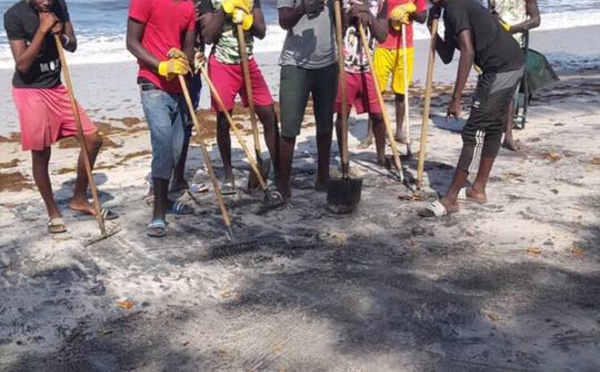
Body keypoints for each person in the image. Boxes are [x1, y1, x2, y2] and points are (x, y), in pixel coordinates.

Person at [4, 0, 118, 234]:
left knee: (92, 139)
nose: (48, 0)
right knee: (42, 152)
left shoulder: (59, 5)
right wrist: (43, 29)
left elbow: (72, 45)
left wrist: (62, 37)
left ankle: (79, 198)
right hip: (30, 91)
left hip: (56, 87)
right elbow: (23, 64)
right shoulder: (14, 15)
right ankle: (53, 211)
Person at [419, 0, 525, 217]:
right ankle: (477, 190)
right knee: (493, 127)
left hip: (502, 67)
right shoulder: (451, 11)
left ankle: (450, 200)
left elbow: (468, 52)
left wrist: (456, 97)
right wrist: (432, 29)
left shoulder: (456, 6)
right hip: (505, 65)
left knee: (473, 130)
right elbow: (448, 55)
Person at [126, 0, 196, 237]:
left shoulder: (188, 6)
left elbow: (189, 46)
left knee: (176, 149)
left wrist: (185, 59)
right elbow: (132, 42)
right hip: (152, 83)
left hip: (178, 86)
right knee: (164, 143)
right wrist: (161, 65)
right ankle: (158, 214)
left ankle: (163, 199)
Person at [200, 0, 280, 196]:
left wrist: (248, 20)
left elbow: (261, 32)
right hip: (221, 64)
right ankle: (229, 175)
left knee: (269, 115)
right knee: (223, 119)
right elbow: (208, 36)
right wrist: (224, 11)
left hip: (247, 62)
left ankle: (279, 170)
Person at [277, 0, 339, 200]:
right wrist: (302, 8)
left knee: (325, 125)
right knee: (289, 127)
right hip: (295, 63)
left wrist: (342, 7)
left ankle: (323, 177)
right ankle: (283, 184)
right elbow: (284, 21)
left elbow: (342, 25)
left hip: (328, 62)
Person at [357, 0, 426, 151]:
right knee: (376, 92)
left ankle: (399, 131)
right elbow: (372, 8)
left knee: (401, 91)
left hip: (405, 47)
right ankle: (370, 133)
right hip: (383, 46)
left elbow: (423, 18)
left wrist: (409, 10)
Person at [334, 0, 389, 167]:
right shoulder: (341, 2)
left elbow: (382, 36)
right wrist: (349, 17)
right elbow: (338, 33)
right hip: (346, 68)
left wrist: (368, 14)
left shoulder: (379, 2)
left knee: (378, 115)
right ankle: (344, 157)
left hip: (368, 69)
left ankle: (381, 156)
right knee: (343, 114)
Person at [488, 0, 540, 152]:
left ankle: (508, 135)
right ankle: (493, 128)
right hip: (494, 40)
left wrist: (512, 29)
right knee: (492, 84)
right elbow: (491, 13)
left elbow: (536, 20)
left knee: (510, 90)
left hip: (515, 42)